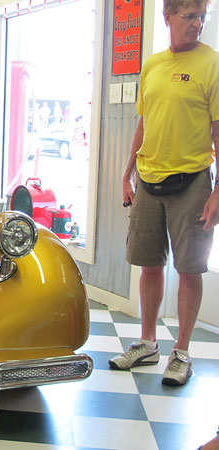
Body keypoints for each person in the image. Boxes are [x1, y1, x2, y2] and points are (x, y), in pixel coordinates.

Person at [109, 0, 219, 386]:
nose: (197, 24)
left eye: (202, 16)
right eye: (190, 16)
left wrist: (218, 190)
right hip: (148, 180)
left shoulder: (213, 64)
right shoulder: (153, 65)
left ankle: (182, 352)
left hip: (191, 180)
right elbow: (144, 122)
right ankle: (148, 343)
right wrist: (126, 173)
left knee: (189, 267)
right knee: (148, 263)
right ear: (168, 17)